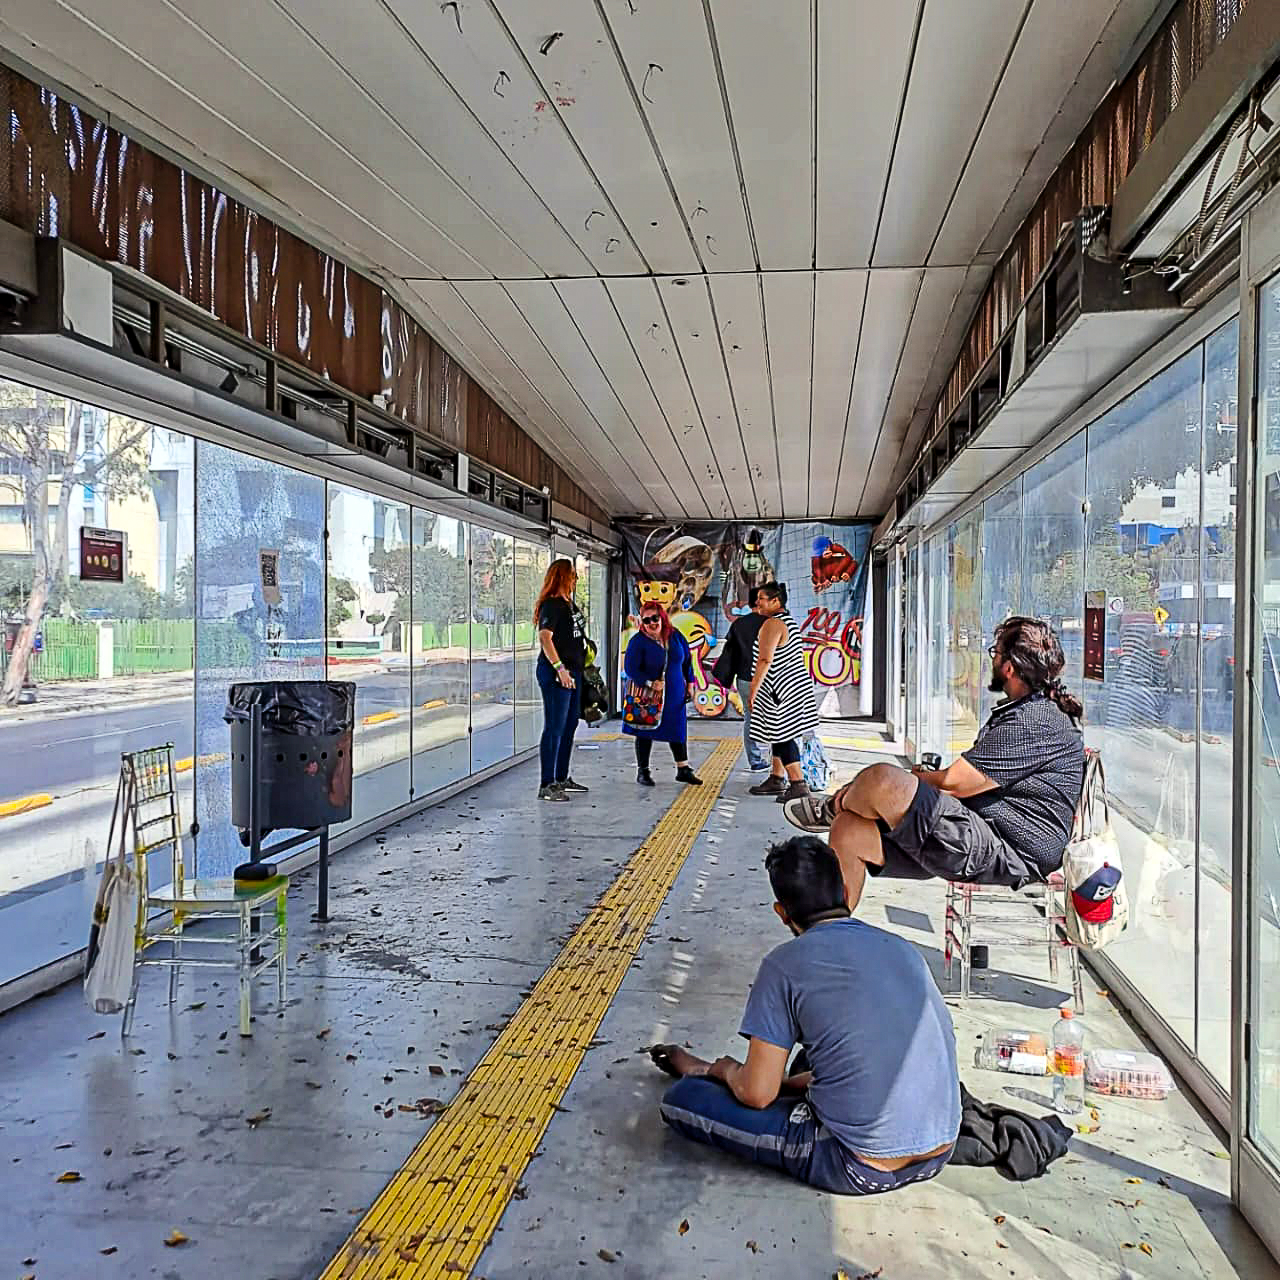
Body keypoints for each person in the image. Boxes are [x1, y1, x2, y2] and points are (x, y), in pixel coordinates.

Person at [648, 836, 960, 1194]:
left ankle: (708, 1078)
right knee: (818, 1052)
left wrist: (721, 1070)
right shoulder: (901, 948)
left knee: (684, 1098)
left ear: (782, 912)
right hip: (940, 1149)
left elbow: (758, 1095)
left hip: (859, 1164)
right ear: (845, 892)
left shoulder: (783, 965)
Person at [784, 616, 1085, 911]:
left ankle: (833, 807)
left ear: (1009, 668)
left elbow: (954, 783)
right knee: (848, 830)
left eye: (996, 653)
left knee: (881, 780)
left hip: (1008, 850)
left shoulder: (1036, 720)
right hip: (978, 833)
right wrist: (916, 782)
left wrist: (907, 783)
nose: (991, 660)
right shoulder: (1029, 712)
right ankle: (833, 927)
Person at [746, 582, 818, 804]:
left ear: (775, 601)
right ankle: (777, 778)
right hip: (793, 688)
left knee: (782, 735)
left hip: (779, 690)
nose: (757, 602)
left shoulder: (773, 624)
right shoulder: (788, 621)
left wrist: (753, 689)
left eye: (761, 598)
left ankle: (798, 784)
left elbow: (765, 659)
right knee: (778, 733)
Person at [623, 603, 703, 788]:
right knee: (645, 729)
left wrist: (691, 683)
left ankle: (683, 769)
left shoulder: (675, 636)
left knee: (677, 727)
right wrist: (650, 683)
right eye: (647, 620)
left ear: (662, 617)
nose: (652, 623)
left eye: (655, 618)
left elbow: (687, 661)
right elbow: (631, 669)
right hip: (648, 695)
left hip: (674, 693)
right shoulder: (638, 641)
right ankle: (643, 771)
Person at [534, 558, 590, 802]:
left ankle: (561, 777)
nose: (576, 579)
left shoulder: (569, 604)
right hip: (557, 673)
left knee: (570, 724)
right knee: (554, 727)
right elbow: (545, 638)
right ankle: (547, 784)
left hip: (574, 672)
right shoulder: (552, 605)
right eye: (572, 575)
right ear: (562, 577)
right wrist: (560, 668)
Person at [711, 586, 769, 771]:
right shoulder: (772, 623)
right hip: (769, 678)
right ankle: (778, 760)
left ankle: (755, 760)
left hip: (744, 679)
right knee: (776, 718)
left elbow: (730, 652)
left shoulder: (739, 624)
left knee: (750, 719)